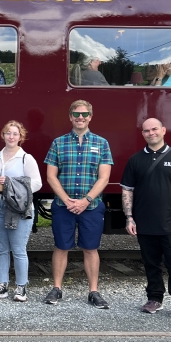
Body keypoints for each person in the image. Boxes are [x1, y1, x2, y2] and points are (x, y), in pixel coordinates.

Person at [120, 118, 171, 321]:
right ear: (143, 134)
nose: (151, 133)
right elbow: (127, 190)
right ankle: (154, 298)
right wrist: (129, 217)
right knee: (150, 263)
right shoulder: (135, 160)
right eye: (146, 130)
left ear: (163, 130)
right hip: (144, 223)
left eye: (154, 129)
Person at [44, 99, 113, 308]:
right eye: (76, 114)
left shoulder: (102, 143)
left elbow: (104, 177)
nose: (80, 117)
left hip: (91, 207)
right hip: (63, 206)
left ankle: (93, 291)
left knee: (90, 248)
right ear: (70, 117)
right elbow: (51, 176)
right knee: (60, 247)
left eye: (84, 114)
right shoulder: (58, 142)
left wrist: (86, 200)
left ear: (90, 116)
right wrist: (66, 200)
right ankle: (56, 288)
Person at [0, 121, 42, 302]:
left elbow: (37, 183)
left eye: (15, 134)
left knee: (19, 250)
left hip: (19, 209)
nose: (11, 136)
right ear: (3, 135)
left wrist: (11, 183)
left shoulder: (27, 158)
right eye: (8, 133)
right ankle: (2, 284)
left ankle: (21, 287)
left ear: (21, 137)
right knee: (1, 249)